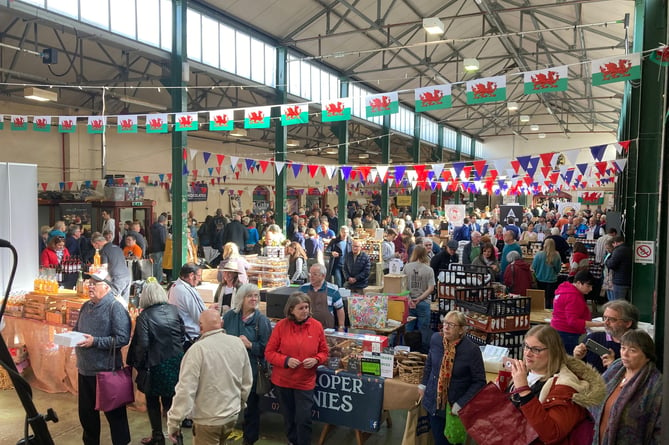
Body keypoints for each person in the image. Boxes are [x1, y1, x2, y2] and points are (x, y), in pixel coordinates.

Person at [504, 325, 605, 445]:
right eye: (526, 346)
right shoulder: (521, 373)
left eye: (536, 349)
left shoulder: (566, 387)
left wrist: (524, 391)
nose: (527, 353)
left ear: (553, 351)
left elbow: (551, 435)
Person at [167, 310, 252, 445]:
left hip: (207, 419)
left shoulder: (197, 350)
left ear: (200, 327)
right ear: (221, 323)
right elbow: (247, 380)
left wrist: (174, 422)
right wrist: (239, 404)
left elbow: (185, 390)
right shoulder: (237, 343)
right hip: (231, 415)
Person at [74, 270, 132, 445]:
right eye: (89, 283)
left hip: (105, 372)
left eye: (94, 284)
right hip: (84, 370)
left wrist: (95, 342)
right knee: (87, 415)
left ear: (106, 287)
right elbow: (78, 330)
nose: (90, 286)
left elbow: (122, 338)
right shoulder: (85, 306)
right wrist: (71, 337)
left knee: (115, 416)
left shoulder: (115, 308)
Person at [264, 292, 329, 445]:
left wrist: (316, 359)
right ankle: (292, 441)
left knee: (304, 419)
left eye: (307, 307)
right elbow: (269, 353)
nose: (305, 311)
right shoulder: (281, 326)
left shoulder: (316, 326)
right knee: (288, 418)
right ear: (291, 309)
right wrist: (286, 360)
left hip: (304, 382)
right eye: (301, 308)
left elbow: (324, 352)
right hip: (283, 381)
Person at [127, 278, 185, 445]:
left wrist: (138, 363)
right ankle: (176, 437)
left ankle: (158, 437)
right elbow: (182, 332)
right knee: (171, 402)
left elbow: (143, 344)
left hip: (156, 363)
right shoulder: (173, 310)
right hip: (176, 361)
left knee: (153, 400)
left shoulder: (144, 316)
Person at [418, 311, 486, 445]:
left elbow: (479, 381)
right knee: (439, 440)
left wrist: (461, 403)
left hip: (454, 406)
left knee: (453, 441)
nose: (446, 327)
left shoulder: (472, 351)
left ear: (461, 330)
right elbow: (430, 364)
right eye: (444, 323)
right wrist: (424, 384)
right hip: (435, 403)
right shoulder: (436, 340)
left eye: (451, 325)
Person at [591, 330, 662, 444]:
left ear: (647, 356)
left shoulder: (656, 385)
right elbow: (595, 397)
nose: (625, 353)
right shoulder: (616, 367)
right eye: (623, 348)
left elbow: (660, 430)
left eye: (632, 350)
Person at [222, 284, 272, 445]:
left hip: (251, 372)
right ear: (241, 298)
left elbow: (268, 349)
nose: (254, 299)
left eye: (256, 296)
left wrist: (251, 345)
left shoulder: (261, 320)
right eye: (250, 296)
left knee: (251, 408)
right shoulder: (230, 317)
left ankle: (249, 439)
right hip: (230, 370)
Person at [572, 300, 639, 374]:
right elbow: (576, 371)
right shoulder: (593, 338)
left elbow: (637, 379)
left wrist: (613, 366)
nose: (606, 323)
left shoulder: (636, 347)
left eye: (612, 319)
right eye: (605, 318)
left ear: (628, 323)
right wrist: (577, 358)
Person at [550, 270, 605, 354]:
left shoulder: (564, 291)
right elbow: (573, 321)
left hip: (556, 329)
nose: (590, 289)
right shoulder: (574, 297)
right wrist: (600, 324)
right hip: (567, 334)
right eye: (588, 285)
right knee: (569, 359)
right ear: (579, 283)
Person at [404, 245, 436, 353]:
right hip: (424, 303)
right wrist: (419, 299)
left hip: (408, 303)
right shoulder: (429, 270)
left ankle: (406, 354)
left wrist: (409, 299)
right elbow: (431, 288)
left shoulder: (406, 267)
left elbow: (402, 286)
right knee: (424, 332)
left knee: (408, 330)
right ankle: (422, 355)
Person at [167, 263, 207, 350]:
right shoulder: (187, 290)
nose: (200, 279)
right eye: (199, 276)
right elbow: (203, 317)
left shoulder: (174, 286)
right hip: (191, 339)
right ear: (191, 275)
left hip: (179, 338)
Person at [299, 263, 345, 330]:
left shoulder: (333, 290)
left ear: (323, 276)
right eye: (310, 273)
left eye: (315, 274)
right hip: (306, 329)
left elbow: (340, 309)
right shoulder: (303, 289)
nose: (311, 276)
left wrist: (341, 326)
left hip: (327, 330)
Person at [91, 232, 131, 303]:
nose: (96, 249)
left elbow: (104, 268)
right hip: (127, 276)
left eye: (95, 246)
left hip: (117, 279)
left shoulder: (104, 250)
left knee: (112, 301)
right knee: (124, 303)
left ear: (97, 243)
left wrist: (94, 277)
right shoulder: (117, 248)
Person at [531, 238, 562, 309]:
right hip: (552, 280)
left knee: (541, 297)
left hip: (540, 279)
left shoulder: (538, 255)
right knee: (550, 298)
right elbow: (558, 269)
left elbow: (533, 267)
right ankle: (549, 311)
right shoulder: (557, 255)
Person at [605, 236, 632, 300]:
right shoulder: (629, 248)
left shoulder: (618, 250)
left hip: (619, 281)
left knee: (618, 302)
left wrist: (607, 261)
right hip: (628, 279)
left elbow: (611, 264)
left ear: (615, 243)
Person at [149, 214, 168, 281]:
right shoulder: (161, 229)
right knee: (159, 266)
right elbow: (163, 239)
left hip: (153, 248)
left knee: (154, 265)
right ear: (164, 221)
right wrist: (165, 248)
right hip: (160, 249)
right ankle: (158, 280)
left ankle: (153, 279)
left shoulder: (153, 227)